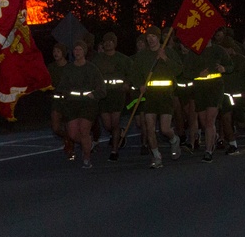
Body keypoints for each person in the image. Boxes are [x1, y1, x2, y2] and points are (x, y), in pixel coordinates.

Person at [132, 26, 183, 168]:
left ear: (158, 38)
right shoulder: (142, 56)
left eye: (153, 36)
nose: (151, 39)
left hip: (166, 94)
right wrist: (139, 85)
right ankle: (156, 156)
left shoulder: (169, 52)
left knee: (165, 129)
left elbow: (179, 70)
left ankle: (174, 140)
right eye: (148, 37)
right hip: (149, 95)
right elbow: (134, 74)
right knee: (149, 128)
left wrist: (165, 58)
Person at [56, 40, 106, 168]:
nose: (77, 52)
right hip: (72, 104)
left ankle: (87, 158)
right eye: (75, 50)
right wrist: (64, 96)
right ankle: (88, 143)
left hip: (87, 104)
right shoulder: (69, 69)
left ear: (84, 52)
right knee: (73, 133)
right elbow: (62, 86)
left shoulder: (92, 68)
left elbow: (101, 88)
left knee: (84, 130)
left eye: (80, 50)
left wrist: (93, 95)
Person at [190, 29, 233, 162]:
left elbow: (230, 65)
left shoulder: (219, 50)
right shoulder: (194, 51)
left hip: (215, 87)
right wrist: (197, 73)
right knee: (203, 121)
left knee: (210, 120)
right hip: (200, 89)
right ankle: (212, 138)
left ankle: (208, 151)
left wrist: (223, 69)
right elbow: (185, 70)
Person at [92, 32, 132, 161]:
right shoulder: (97, 59)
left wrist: (127, 84)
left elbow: (132, 73)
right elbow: (91, 74)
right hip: (103, 95)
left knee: (114, 123)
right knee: (107, 125)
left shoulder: (123, 59)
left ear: (115, 43)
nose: (108, 43)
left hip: (117, 94)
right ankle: (120, 133)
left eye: (111, 41)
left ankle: (114, 150)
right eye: (106, 41)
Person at [219, 35, 245, 155]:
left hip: (239, 96)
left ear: (231, 48)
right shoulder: (219, 62)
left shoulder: (242, 61)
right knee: (226, 119)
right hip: (225, 96)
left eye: (225, 48)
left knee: (241, 121)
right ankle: (232, 145)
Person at [47, 43, 75, 160]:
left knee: (69, 126)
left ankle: (70, 148)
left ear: (63, 53)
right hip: (56, 101)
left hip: (69, 101)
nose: (56, 53)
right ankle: (67, 138)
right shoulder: (51, 68)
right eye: (54, 51)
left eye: (58, 51)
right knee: (56, 128)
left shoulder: (70, 67)